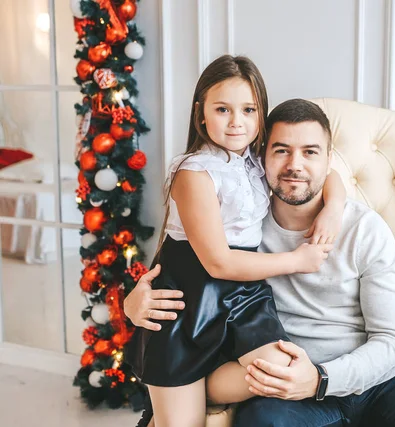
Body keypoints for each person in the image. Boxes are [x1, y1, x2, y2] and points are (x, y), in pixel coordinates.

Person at [126, 98, 395, 426]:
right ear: (261, 157)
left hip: (379, 378)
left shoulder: (365, 230)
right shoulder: (237, 228)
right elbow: (185, 269)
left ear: (329, 160)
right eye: (281, 150)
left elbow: (393, 345)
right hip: (287, 388)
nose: (295, 165)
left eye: (310, 152)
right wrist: (134, 302)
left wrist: (322, 379)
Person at [125, 56, 347, 427]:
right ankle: (180, 395)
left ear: (260, 114)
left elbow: (332, 173)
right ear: (201, 114)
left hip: (243, 297)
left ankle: (199, 387)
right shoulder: (193, 171)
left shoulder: (256, 161)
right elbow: (218, 263)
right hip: (189, 298)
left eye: (248, 110)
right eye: (223, 109)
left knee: (281, 370)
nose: (236, 122)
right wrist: (299, 260)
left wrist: (334, 207)